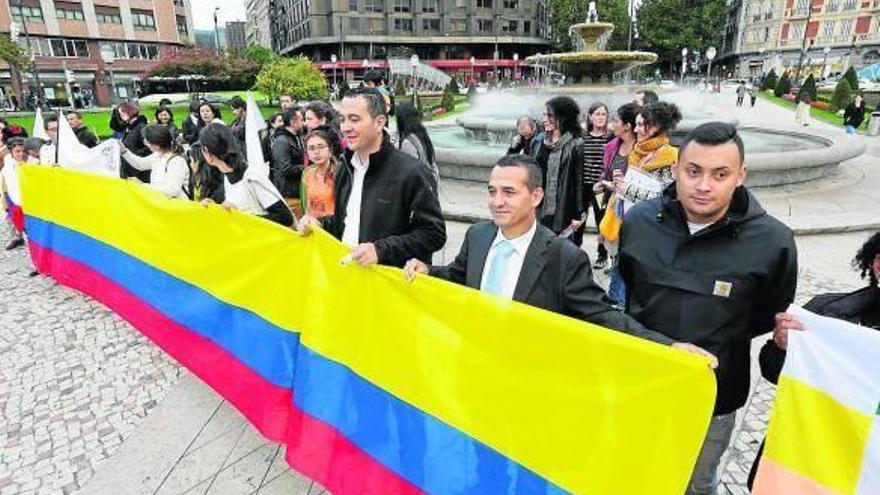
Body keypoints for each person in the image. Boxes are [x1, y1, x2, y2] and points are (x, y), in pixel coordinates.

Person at [619, 122, 798, 495]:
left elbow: (766, 316)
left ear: (741, 176)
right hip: (640, 385)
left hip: (715, 397)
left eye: (720, 174)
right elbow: (630, 292)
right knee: (636, 472)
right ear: (675, 170)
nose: (704, 185)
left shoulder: (774, 241)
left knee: (698, 482)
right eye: (693, 171)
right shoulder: (638, 221)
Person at [402, 154, 717, 358]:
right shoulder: (478, 235)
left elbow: (603, 316)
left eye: (509, 192)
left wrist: (667, 347)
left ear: (536, 196)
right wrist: (428, 270)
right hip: (472, 364)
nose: (497, 201)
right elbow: (460, 275)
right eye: (491, 191)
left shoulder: (562, 256)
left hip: (526, 379)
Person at [745, 230, 880, 490]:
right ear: (876, 265)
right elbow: (771, 369)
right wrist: (783, 346)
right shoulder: (825, 311)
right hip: (803, 463)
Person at [298, 89, 446, 268]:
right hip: (348, 275)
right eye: (342, 119)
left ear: (379, 123)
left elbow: (433, 234)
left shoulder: (412, 172)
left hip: (388, 284)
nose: (345, 127)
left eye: (354, 119)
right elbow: (345, 222)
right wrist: (319, 223)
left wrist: (380, 250)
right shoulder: (345, 167)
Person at [198, 123, 294, 227]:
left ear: (207, 152)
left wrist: (242, 217)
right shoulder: (226, 176)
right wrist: (215, 207)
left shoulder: (251, 177)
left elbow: (285, 217)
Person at [595, 103, 641, 306]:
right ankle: (617, 298)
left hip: (632, 211)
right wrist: (603, 184)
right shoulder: (613, 146)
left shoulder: (641, 149)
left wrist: (619, 187)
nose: (612, 124)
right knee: (616, 254)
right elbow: (608, 174)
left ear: (628, 126)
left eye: (616, 121)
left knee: (625, 257)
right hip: (613, 207)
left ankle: (619, 301)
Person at [535, 96, 585, 243]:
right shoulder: (540, 141)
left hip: (564, 208)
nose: (545, 119)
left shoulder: (576, 144)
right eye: (544, 115)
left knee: (560, 250)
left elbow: (578, 181)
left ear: (563, 117)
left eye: (549, 115)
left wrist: (577, 214)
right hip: (539, 205)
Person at [617, 101, 682, 205]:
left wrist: (629, 189)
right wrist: (619, 184)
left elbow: (667, 198)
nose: (635, 130)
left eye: (640, 125)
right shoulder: (637, 151)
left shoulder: (671, 157)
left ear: (655, 126)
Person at [579, 102, 613, 265]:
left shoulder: (611, 137)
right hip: (584, 185)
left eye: (603, 114)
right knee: (580, 218)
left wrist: (603, 181)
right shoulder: (582, 136)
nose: (600, 117)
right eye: (597, 114)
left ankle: (602, 254)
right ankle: (575, 251)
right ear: (590, 117)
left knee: (602, 220)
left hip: (601, 187)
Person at [119, 124, 189, 199]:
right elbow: (140, 164)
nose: (146, 144)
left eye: (147, 141)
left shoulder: (176, 161)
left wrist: (142, 185)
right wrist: (124, 151)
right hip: (160, 202)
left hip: (176, 207)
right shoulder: (157, 155)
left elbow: (173, 191)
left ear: (157, 143)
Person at [270, 108, 306, 217]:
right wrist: (306, 167)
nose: (303, 123)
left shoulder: (296, 137)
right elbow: (285, 168)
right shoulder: (282, 141)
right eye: (301, 119)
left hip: (296, 187)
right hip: (288, 190)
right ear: (293, 122)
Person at [396, 101, 439, 189]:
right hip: (429, 182)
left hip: (420, 188)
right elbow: (432, 163)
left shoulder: (408, 143)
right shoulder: (422, 135)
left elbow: (411, 171)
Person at [300, 129, 337, 219]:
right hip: (314, 226)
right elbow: (306, 205)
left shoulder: (339, 173)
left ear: (330, 150)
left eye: (321, 147)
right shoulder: (307, 173)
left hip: (333, 227)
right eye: (311, 148)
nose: (316, 152)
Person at [0, 138, 27, 250]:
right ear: (11, 152)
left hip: (27, 201)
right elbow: (6, 184)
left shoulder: (30, 163)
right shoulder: (7, 166)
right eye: (17, 151)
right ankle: (17, 238)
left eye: (23, 151)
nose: (21, 154)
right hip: (13, 198)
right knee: (12, 219)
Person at [117, 101, 151, 183]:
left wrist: (134, 153)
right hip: (130, 166)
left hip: (140, 171)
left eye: (122, 112)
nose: (120, 115)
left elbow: (149, 147)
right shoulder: (129, 127)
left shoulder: (141, 127)